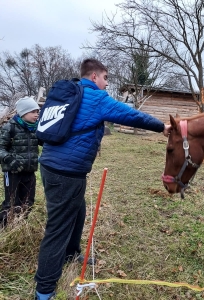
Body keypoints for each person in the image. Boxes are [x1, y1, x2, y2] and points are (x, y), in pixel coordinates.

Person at [34, 58, 171, 300]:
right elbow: (130, 115)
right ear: (95, 76)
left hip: (55, 167)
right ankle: (44, 290)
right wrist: (161, 126)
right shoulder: (95, 97)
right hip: (66, 173)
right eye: (106, 78)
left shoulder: (70, 94)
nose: (107, 84)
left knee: (78, 211)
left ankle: (71, 253)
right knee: (57, 228)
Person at [0, 96, 40, 227]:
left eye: (37, 111)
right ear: (23, 113)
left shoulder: (36, 129)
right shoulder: (9, 127)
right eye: (33, 112)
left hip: (29, 171)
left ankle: (19, 226)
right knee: (11, 203)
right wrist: (9, 159)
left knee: (28, 202)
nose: (36, 114)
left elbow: (46, 142)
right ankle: (4, 228)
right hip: (12, 172)